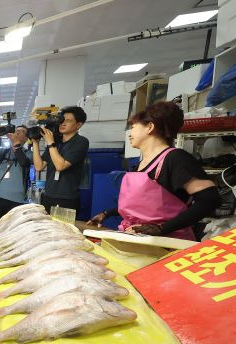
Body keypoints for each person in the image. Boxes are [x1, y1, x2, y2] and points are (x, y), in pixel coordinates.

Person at [87, 101, 220, 240]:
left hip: (167, 245)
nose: (130, 134)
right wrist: (106, 213)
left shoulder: (175, 159)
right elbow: (143, 208)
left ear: (150, 127)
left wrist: (162, 228)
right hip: (137, 240)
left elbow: (210, 200)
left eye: (133, 127)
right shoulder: (140, 165)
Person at [32, 106, 89, 214]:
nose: (62, 124)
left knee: (61, 229)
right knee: (47, 229)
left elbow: (60, 166)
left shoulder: (81, 142)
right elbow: (39, 166)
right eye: (62, 120)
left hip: (66, 198)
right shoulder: (56, 142)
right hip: (48, 195)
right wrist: (35, 143)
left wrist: (50, 143)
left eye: (68, 121)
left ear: (79, 124)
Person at [0, 125, 33, 219]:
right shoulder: (4, 152)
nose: (18, 132)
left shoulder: (29, 153)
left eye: (22, 131)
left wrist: (15, 142)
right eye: (16, 130)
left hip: (17, 199)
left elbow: (23, 162)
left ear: (26, 138)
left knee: (12, 230)